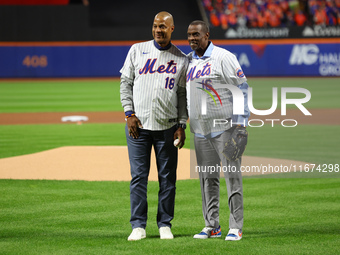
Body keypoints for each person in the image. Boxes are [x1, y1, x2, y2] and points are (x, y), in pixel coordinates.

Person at [120, 11, 188, 241]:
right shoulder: (137, 50)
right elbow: (125, 83)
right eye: (155, 26)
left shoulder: (182, 58)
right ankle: (138, 225)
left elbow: (182, 95)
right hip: (138, 127)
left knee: (167, 178)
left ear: (172, 29)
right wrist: (128, 113)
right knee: (139, 176)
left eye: (163, 27)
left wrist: (182, 124)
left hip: (167, 127)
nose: (158, 30)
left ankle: (164, 224)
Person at [186, 20, 250, 241]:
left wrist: (241, 124)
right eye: (189, 35)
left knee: (232, 177)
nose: (192, 38)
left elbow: (241, 87)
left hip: (225, 128)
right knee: (207, 179)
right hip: (201, 130)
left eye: (196, 34)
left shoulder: (223, 57)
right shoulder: (188, 60)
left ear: (207, 35)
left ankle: (236, 226)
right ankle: (212, 225)